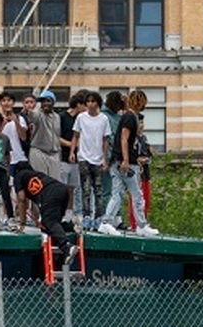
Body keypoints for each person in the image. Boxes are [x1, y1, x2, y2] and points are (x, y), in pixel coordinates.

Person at [100, 90, 158, 237]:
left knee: (117, 194)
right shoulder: (130, 118)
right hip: (125, 162)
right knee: (136, 195)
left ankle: (106, 222)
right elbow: (124, 139)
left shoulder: (128, 116)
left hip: (119, 160)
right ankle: (141, 225)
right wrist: (126, 159)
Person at [14, 164, 77, 264]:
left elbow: (22, 199)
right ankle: (70, 227)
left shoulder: (19, 176)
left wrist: (22, 222)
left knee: (49, 222)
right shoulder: (37, 175)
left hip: (50, 195)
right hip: (62, 190)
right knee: (52, 225)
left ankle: (66, 246)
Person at [69, 91, 111, 230]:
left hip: (98, 158)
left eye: (93, 101)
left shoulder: (103, 119)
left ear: (98, 103)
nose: (90, 104)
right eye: (88, 101)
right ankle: (86, 216)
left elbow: (105, 140)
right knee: (85, 189)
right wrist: (72, 152)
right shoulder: (81, 117)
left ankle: (98, 217)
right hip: (83, 157)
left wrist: (105, 159)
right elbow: (75, 135)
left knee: (98, 189)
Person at [60, 93, 85, 228]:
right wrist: (71, 145)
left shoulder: (81, 119)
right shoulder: (62, 117)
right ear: (79, 104)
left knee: (72, 188)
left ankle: (69, 215)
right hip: (63, 157)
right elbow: (57, 137)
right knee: (62, 188)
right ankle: (60, 213)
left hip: (77, 159)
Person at [26, 90, 63, 180]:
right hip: (39, 152)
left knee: (55, 182)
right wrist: (32, 108)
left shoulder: (57, 117)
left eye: (48, 101)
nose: (45, 103)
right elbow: (32, 116)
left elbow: (57, 136)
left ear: (53, 102)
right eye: (42, 101)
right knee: (40, 182)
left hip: (54, 154)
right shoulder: (39, 114)